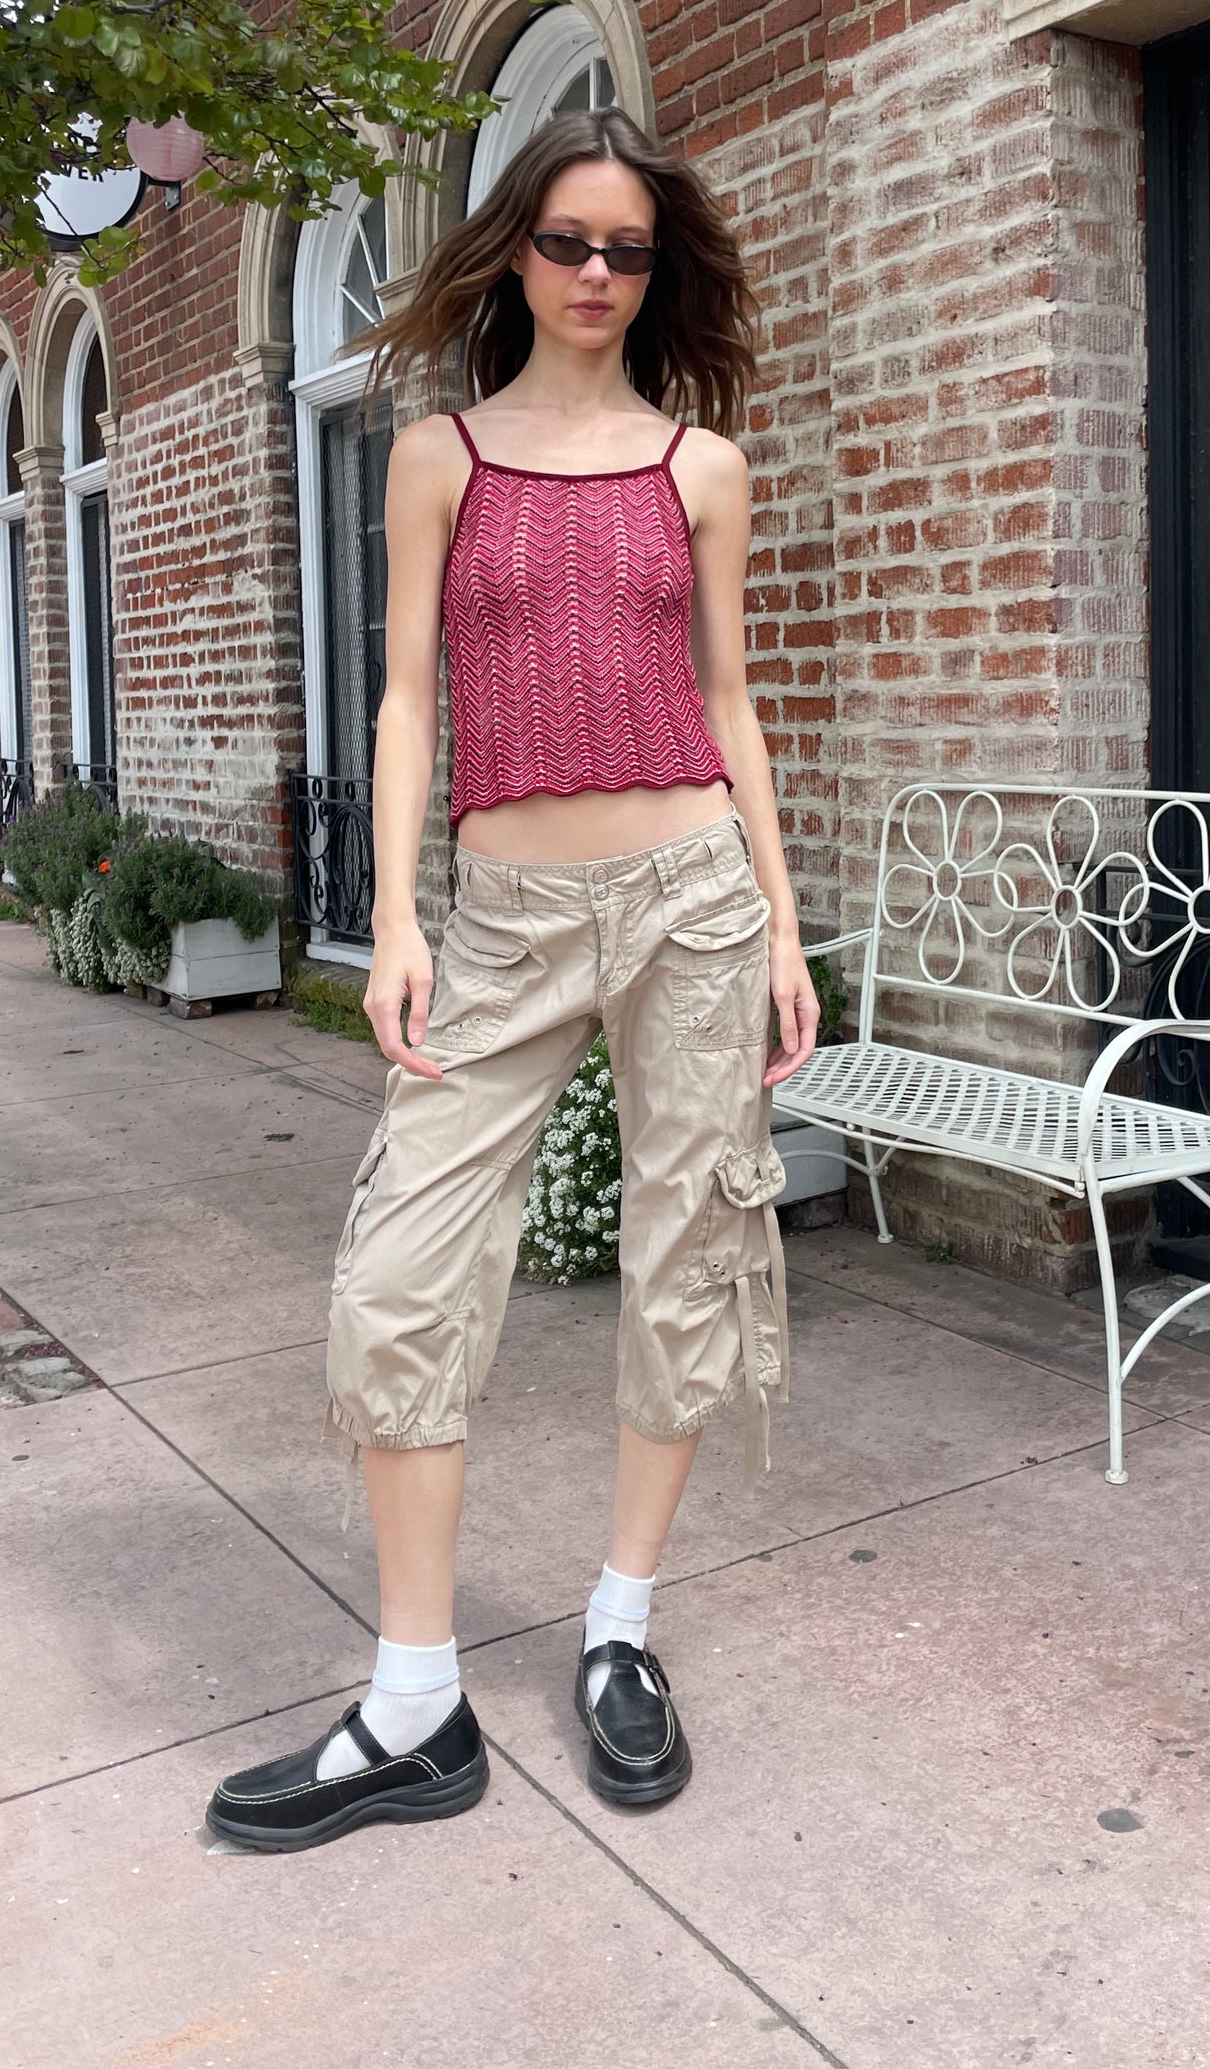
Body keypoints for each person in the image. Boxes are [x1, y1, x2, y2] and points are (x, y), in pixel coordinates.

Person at [208, 108, 819, 1850]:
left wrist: (778, 923)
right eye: (567, 242)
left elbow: (727, 704)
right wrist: (393, 918)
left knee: (689, 1247)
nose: (597, 276)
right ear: (513, 251)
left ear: (655, 267)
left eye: (627, 250)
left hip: (692, 896)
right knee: (402, 1272)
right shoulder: (435, 459)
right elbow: (402, 701)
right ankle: (417, 1700)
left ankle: (620, 1625)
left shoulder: (700, 468)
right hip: (504, 912)